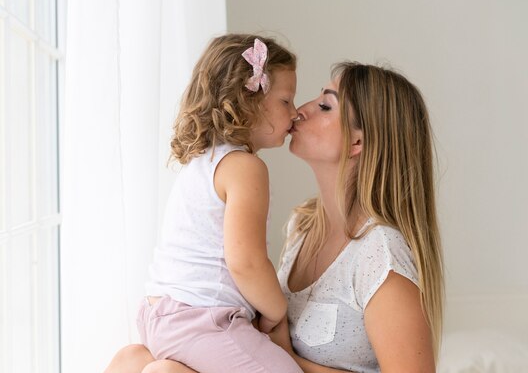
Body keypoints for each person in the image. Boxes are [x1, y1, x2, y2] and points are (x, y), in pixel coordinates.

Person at [105, 62, 444, 373]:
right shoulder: (304, 226)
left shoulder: (379, 254)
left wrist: (286, 357)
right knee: (132, 359)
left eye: (326, 105)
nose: (300, 111)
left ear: (357, 142)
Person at [104, 34, 303, 373]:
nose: (295, 113)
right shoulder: (246, 167)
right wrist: (275, 311)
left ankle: (139, 363)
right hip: (202, 320)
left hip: (159, 313)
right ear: (248, 100)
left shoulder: (204, 161)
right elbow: (247, 262)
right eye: (286, 100)